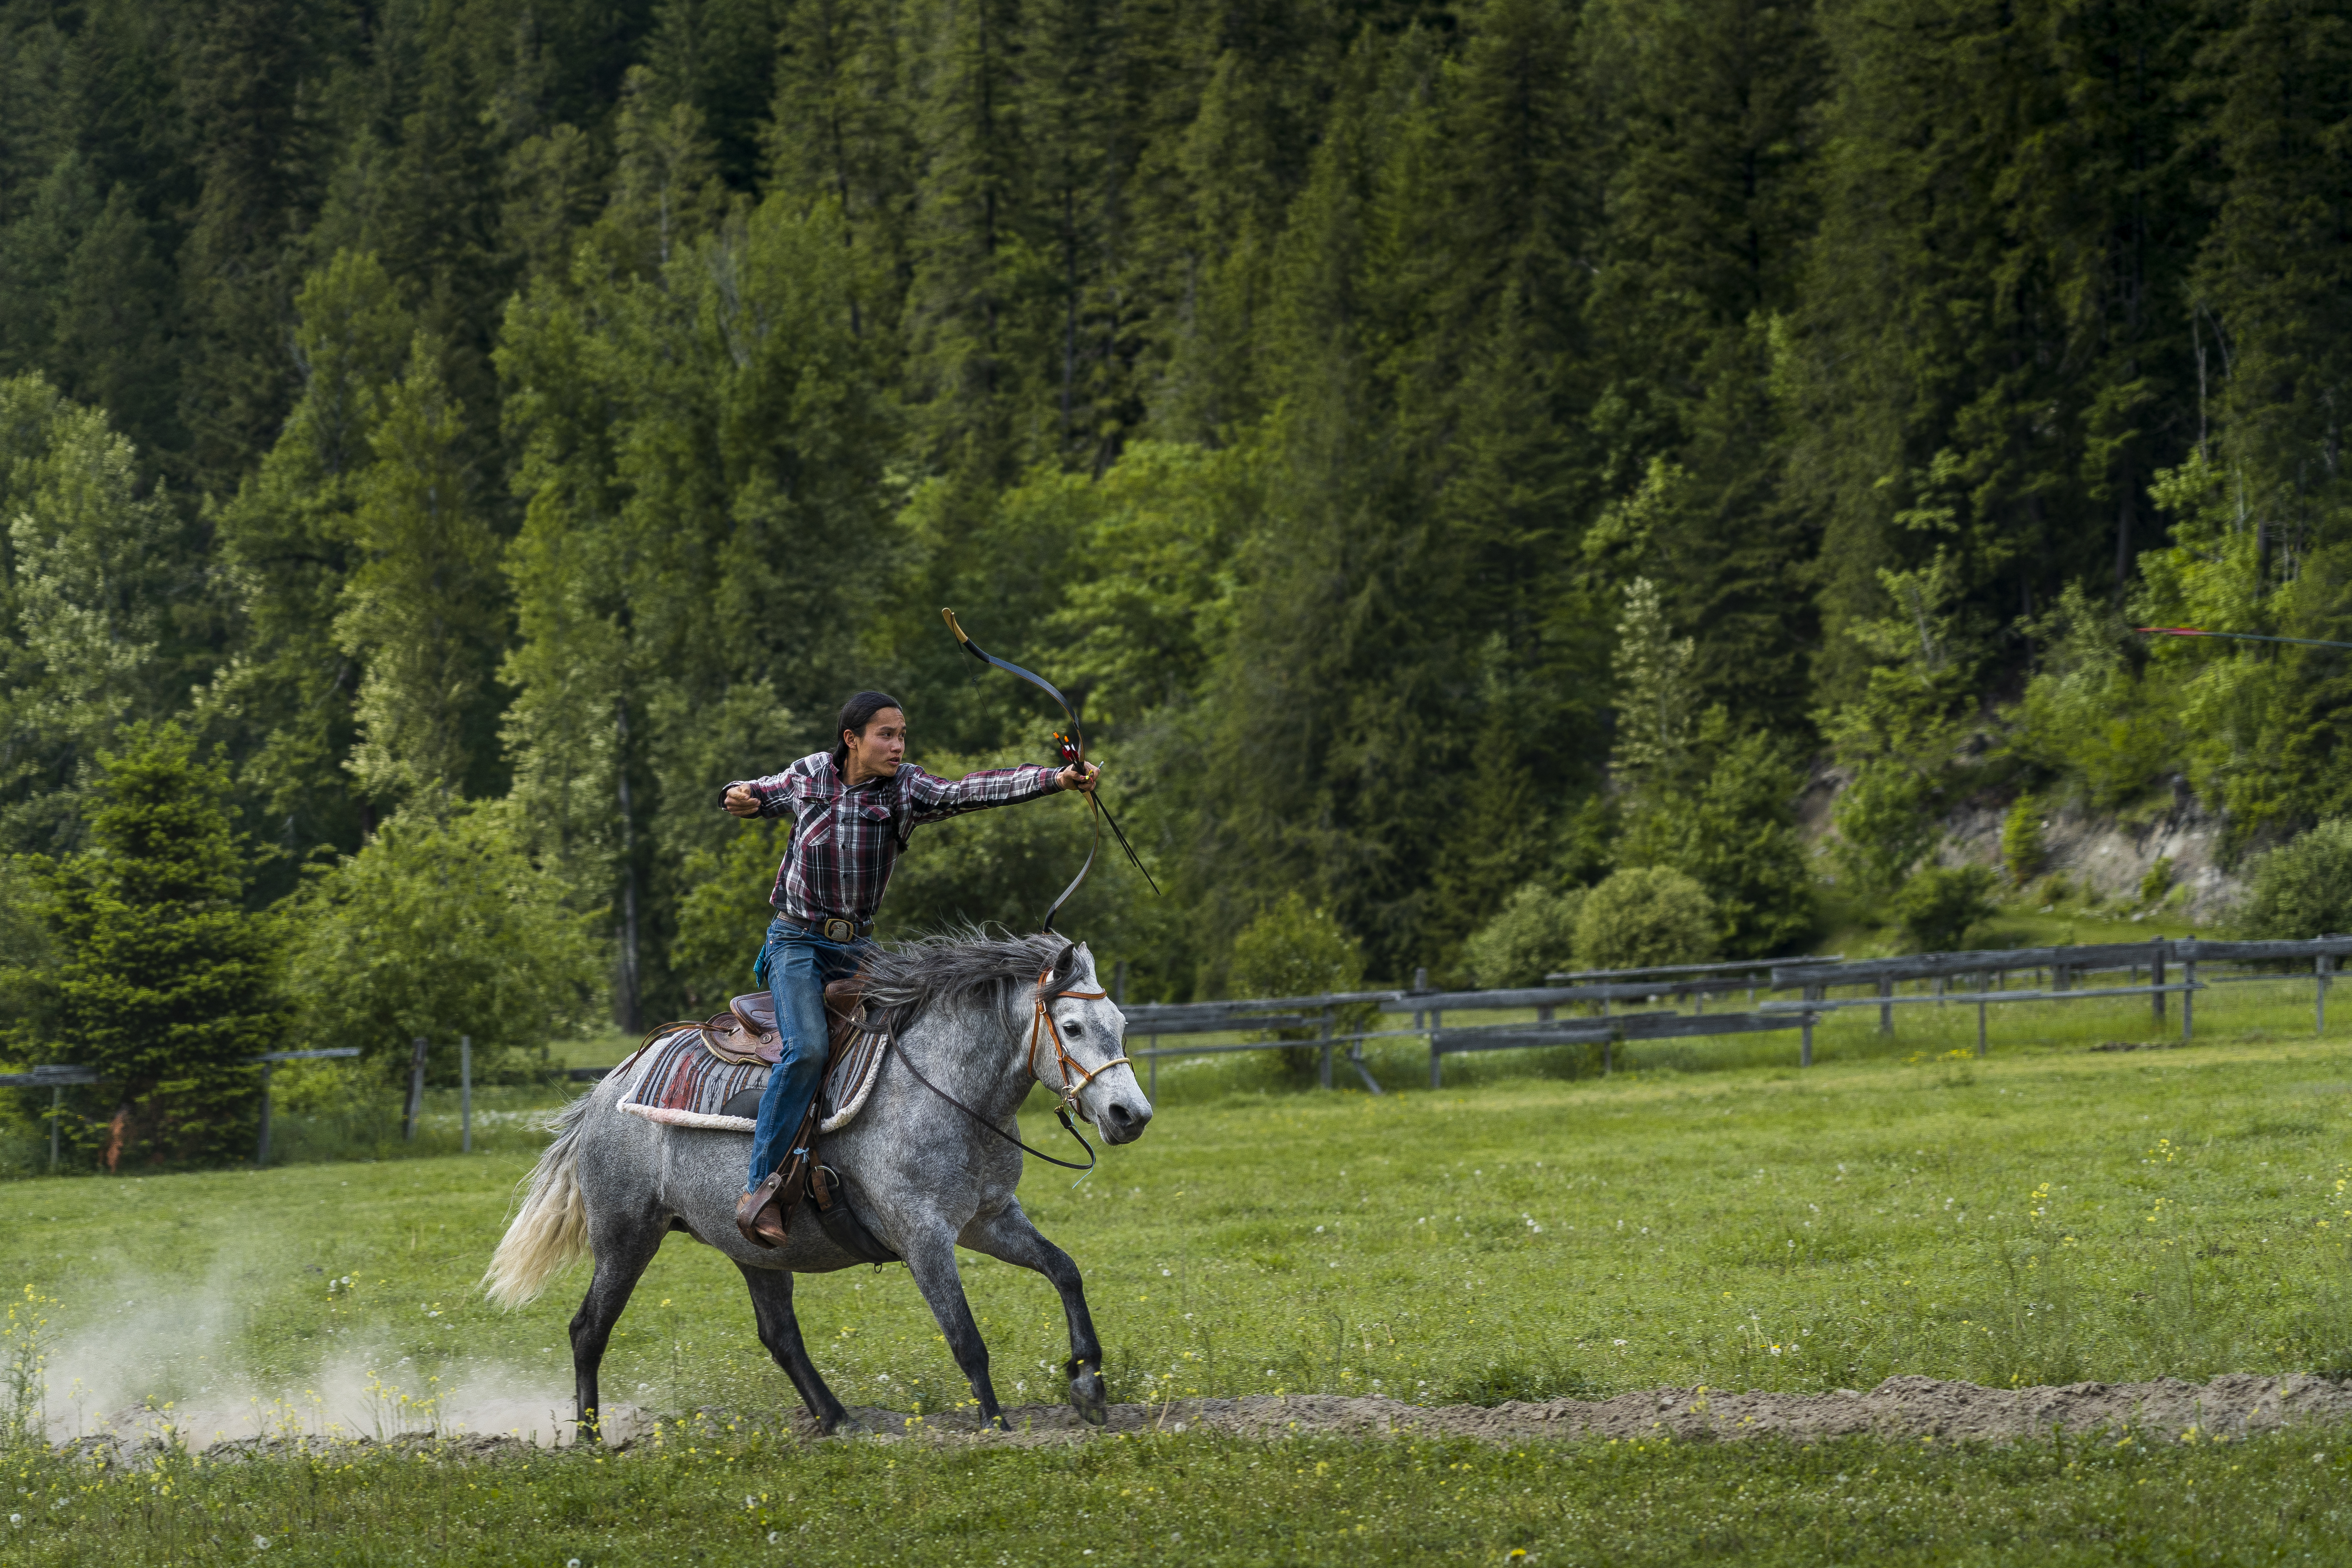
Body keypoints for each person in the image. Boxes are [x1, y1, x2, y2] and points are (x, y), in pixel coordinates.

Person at [717, 690, 1097, 1246]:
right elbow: (755, 794)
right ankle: (761, 1190)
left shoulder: (907, 789)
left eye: (901, 736)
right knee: (808, 1050)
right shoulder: (808, 777)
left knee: (913, 1040)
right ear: (852, 739)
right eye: (885, 735)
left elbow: (972, 789)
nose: (897, 745)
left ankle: (885, 1173)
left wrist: (1055, 780)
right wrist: (738, 796)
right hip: (795, 942)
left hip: (860, 949)